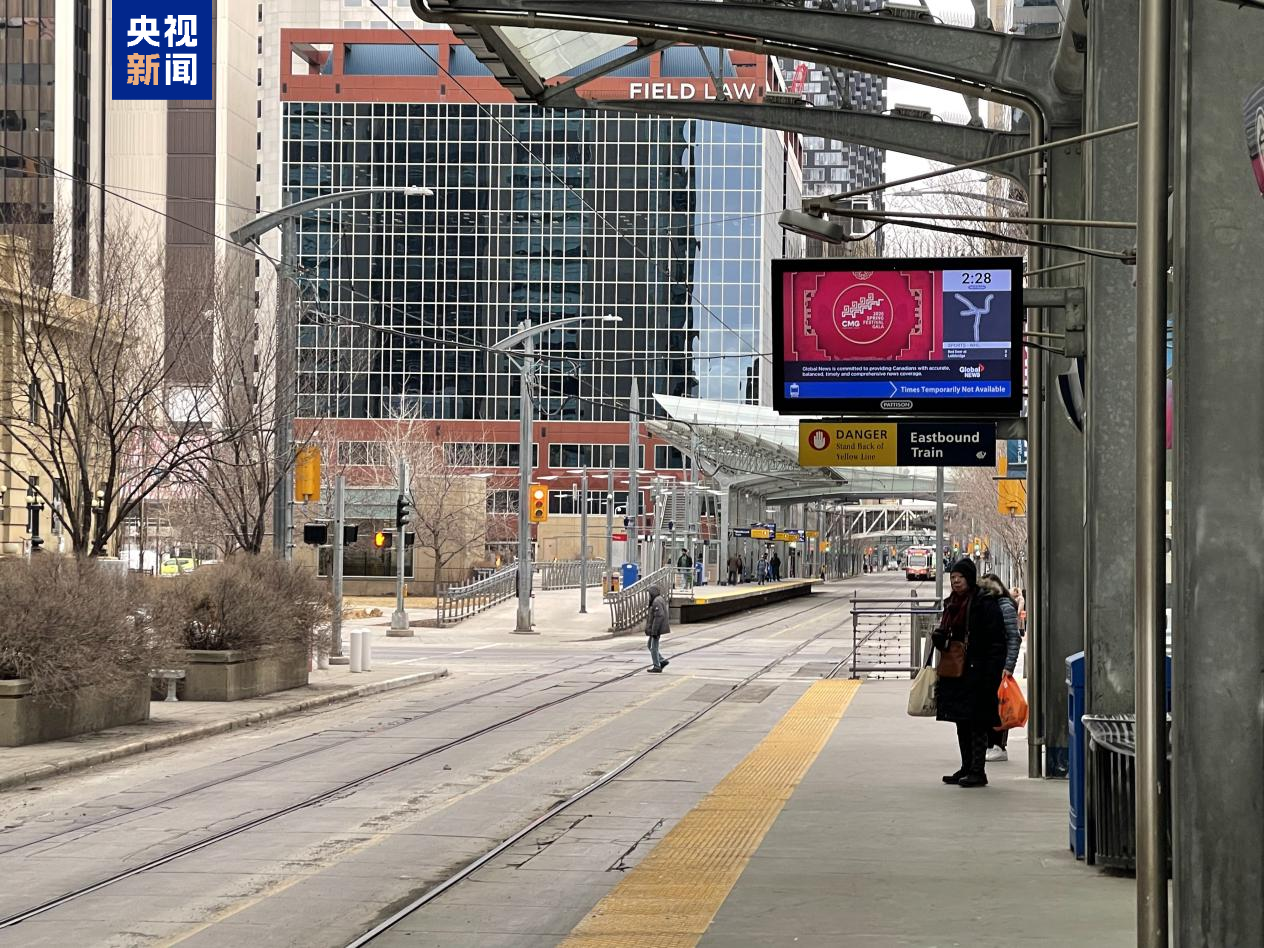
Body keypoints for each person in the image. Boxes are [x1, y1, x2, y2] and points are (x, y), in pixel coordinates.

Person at [933, 558, 1007, 787]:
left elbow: (997, 641)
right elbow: (951, 634)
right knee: (961, 721)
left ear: (970, 578)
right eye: (953, 577)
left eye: (960, 577)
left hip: (978, 671)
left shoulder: (984, 603)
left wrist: (992, 674)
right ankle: (966, 767)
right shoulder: (952, 603)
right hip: (956, 672)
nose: (956, 581)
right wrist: (940, 639)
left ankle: (977, 770)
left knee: (977, 721)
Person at [980, 573, 1022, 762]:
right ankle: (992, 744)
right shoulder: (989, 605)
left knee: (1000, 705)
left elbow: (1014, 637)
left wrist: (1009, 665)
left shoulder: (1004, 606)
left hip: (1000, 664)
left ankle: (998, 744)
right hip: (989, 662)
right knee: (992, 704)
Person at [645, 585, 671, 672]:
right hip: (655, 628)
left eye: (650, 593)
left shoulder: (656, 601)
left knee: (653, 647)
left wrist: (655, 631)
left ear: (653, 593)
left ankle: (657, 666)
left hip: (656, 629)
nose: (649, 596)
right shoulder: (658, 599)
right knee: (650, 645)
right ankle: (662, 661)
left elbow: (659, 616)